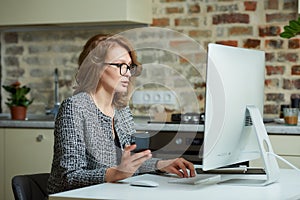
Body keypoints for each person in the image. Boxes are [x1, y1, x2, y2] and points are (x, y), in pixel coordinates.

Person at [47, 34, 195, 194]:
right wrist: (116, 174)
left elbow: (128, 165)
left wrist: (162, 164)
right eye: (120, 65)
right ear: (96, 67)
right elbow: (68, 177)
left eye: (129, 66)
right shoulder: (75, 107)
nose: (128, 74)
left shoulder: (121, 110)